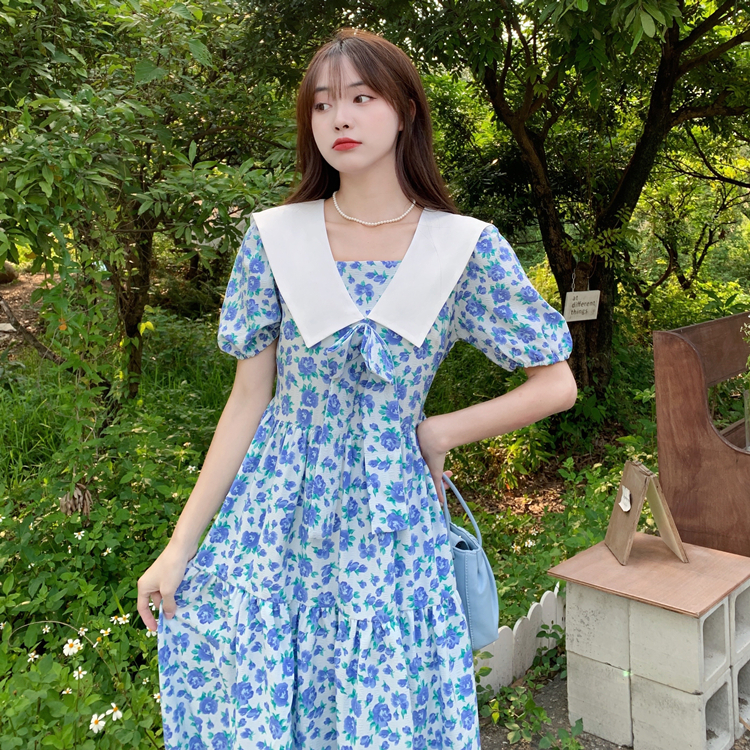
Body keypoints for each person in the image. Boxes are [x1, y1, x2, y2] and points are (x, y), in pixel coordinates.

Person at [137, 27, 577, 750]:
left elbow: (554, 383)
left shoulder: (461, 247)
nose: (338, 117)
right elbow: (248, 400)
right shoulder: (275, 239)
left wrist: (439, 431)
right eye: (322, 104)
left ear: (405, 110)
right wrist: (180, 546)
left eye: (361, 98)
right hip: (277, 517)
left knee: (381, 700)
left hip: (391, 527)